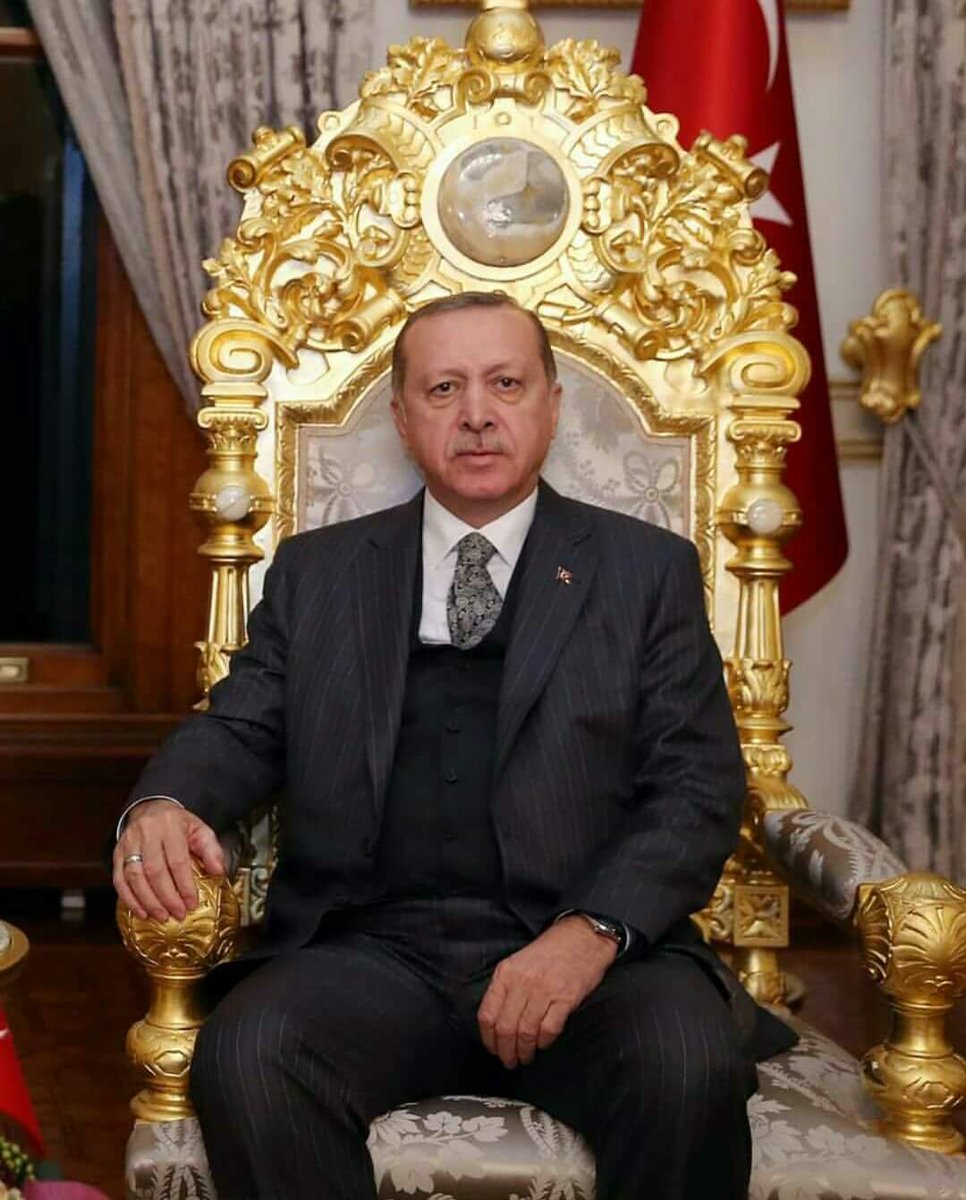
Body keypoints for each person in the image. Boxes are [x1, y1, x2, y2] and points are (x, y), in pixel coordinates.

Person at [113, 292, 791, 1200]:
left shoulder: (645, 571)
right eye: (443, 389)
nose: (476, 413)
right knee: (251, 1052)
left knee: (685, 1059)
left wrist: (589, 933)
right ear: (402, 417)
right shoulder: (321, 572)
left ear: (552, 404)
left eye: (505, 384)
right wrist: (165, 803)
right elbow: (241, 724)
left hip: (587, 950)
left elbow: (696, 786)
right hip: (374, 951)